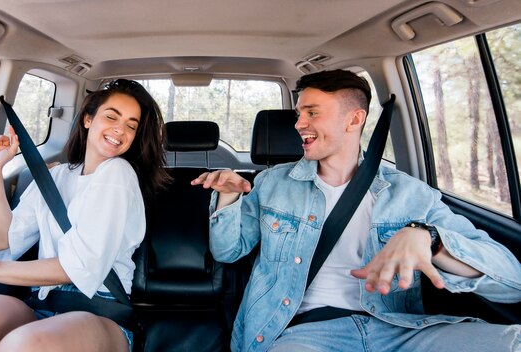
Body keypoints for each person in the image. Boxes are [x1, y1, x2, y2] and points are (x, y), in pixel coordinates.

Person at [191, 69, 521, 352]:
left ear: (354, 119)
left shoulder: (410, 194)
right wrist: (227, 198)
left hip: (399, 330)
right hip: (307, 331)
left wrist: (431, 240)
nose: (298, 124)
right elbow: (228, 252)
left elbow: (511, 283)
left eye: (312, 112)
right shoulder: (273, 183)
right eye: (298, 114)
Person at [0, 79, 170, 352]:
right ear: (88, 119)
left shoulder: (119, 173)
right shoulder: (55, 176)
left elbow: (78, 267)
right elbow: (5, 239)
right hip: (43, 302)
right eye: (111, 116)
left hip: (101, 311)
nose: (120, 130)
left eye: (131, 125)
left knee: (25, 345)